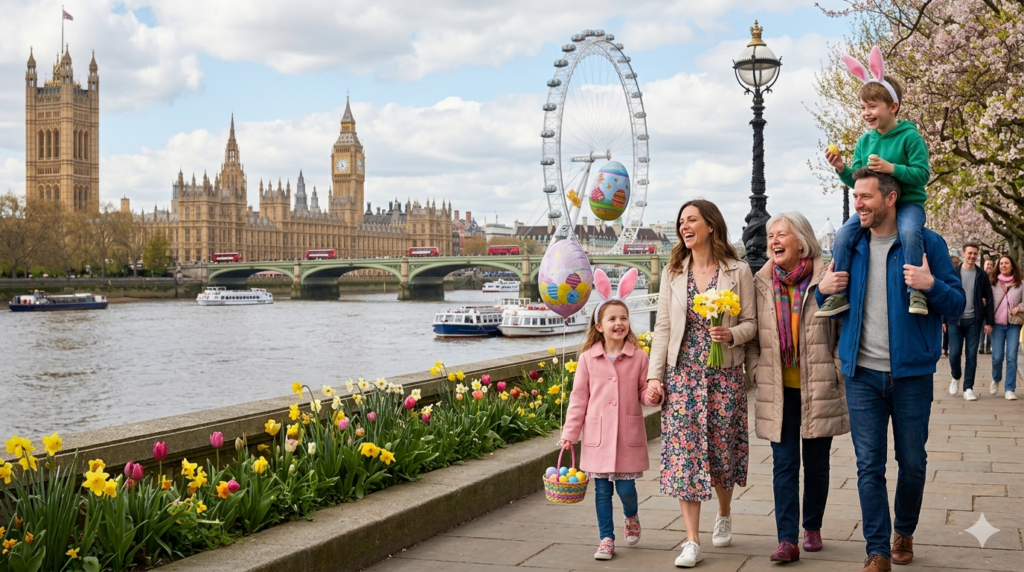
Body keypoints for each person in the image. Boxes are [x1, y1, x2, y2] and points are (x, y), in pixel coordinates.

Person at [816, 169, 964, 572]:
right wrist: (820, 290)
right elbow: (826, 294)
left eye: (865, 197)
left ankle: (905, 529)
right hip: (861, 374)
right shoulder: (851, 245)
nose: (858, 204)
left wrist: (931, 284)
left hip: (912, 375)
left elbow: (958, 305)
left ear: (891, 198)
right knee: (869, 465)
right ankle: (877, 550)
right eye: (855, 196)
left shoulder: (926, 244)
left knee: (913, 461)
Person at [646, 199, 757, 568]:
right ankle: (691, 541)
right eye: (681, 221)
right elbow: (662, 328)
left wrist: (732, 334)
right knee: (684, 457)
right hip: (682, 377)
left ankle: (723, 512)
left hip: (723, 375)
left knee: (721, 453)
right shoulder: (673, 272)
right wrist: (654, 376)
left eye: (691, 220)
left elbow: (752, 325)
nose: (684, 226)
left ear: (711, 225)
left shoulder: (738, 270)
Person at [747, 212, 850, 563]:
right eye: (771, 235)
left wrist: (836, 370)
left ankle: (812, 526)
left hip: (818, 384)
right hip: (779, 389)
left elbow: (843, 328)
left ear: (802, 240)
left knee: (818, 464)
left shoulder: (826, 277)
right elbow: (753, 336)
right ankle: (786, 539)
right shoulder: (760, 282)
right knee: (785, 465)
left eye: (781, 235)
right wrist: (757, 371)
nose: (773, 240)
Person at [559, 269, 664, 561]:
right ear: (600, 326)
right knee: (602, 492)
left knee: (627, 489)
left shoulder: (639, 357)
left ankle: (632, 515)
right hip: (597, 437)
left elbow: (644, 392)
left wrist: (653, 395)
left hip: (627, 436)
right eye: (612, 319)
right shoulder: (587, 359)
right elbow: (578, 399)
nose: (619, 323)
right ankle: (606, 538)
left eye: (623, 318)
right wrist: (570, 435)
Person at [819, 46, 930, 317]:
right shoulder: (864, 141)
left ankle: (916, 290)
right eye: (862, 108)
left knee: (908, 232)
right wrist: (842, 168)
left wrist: (892, 168)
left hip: (907, 203)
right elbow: (858, 182)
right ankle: (839, 294)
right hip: (875, 206)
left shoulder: (910, 137)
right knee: (844, 234)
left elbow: (922, 174)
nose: (866, 113)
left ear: (892, 107)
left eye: (872, 107)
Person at [945, 242, 994, 401]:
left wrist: (988, 322)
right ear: (963, 253)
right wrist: (942, 319)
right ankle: (955, 376)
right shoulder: (953, 272)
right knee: (954, 354)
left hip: (974, 320)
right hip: (954, 319)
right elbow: (944, 296)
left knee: (971, 355)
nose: (972, 256)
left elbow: (989, 299)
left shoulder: (982, 275)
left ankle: (968, 388)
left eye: (975, 254)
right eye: (970, 253)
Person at [989, 255, 1023, 400]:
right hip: (997, 324)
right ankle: (996, 378)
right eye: (1001, 263)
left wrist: (1019, 307)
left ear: (1012, 266)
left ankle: (1009, 388)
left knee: (1011, 357)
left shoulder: (1020, 284)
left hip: (1013, 325)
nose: (1003, 265)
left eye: (1006, 263)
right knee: (997, 357)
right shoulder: (992, 282)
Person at [979, 259, 996, 354]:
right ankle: (981, 344)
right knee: (981, 326)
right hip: (981, 306)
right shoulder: (980, 276)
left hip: (991, 305)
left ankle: (988, 346)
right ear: (984, 265)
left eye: (991, 264)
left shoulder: (995, 278)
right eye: (987, 264)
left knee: (989, 325)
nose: (989, 266)